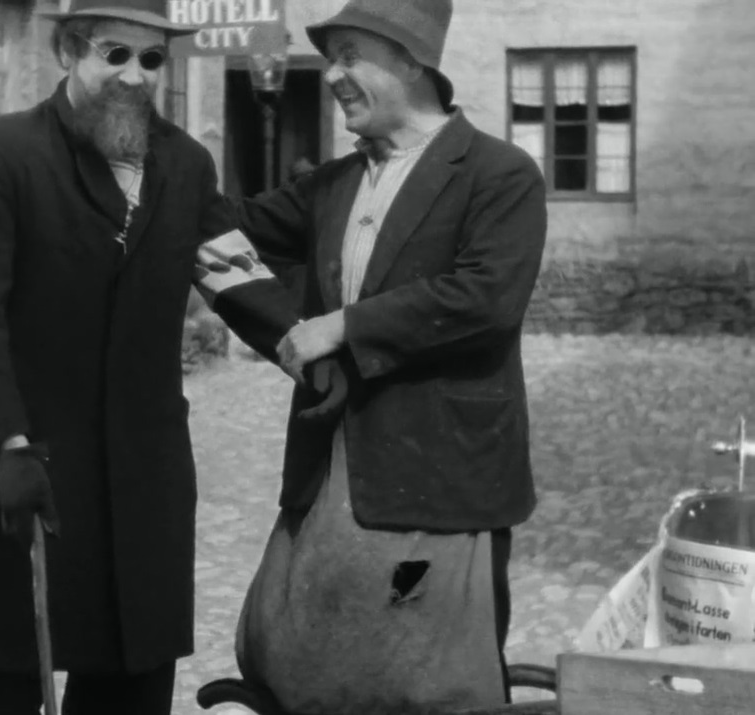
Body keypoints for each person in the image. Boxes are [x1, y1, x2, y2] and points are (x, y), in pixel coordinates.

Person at [0, 2, 340, 713]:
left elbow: (234, 273)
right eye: (114, 54)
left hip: (140, 483)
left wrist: (307, 349)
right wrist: (3, 442)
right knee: (2, 675)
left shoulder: (184, 165)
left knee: (129, 684)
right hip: (23, 468)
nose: (134, 76)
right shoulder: (4, 152)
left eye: (152, 60)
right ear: (69, 52)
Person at [225, 0, 548, 711]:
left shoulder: (498, 173)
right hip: (333, 467)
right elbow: (231, 231)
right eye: (330, 57)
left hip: (443, 474)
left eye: (349, 56)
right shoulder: (333, 183)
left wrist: (341, 325)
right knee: (301, 653)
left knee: (433, 677)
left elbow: (486, 298)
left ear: (410, 62)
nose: (332, 75)